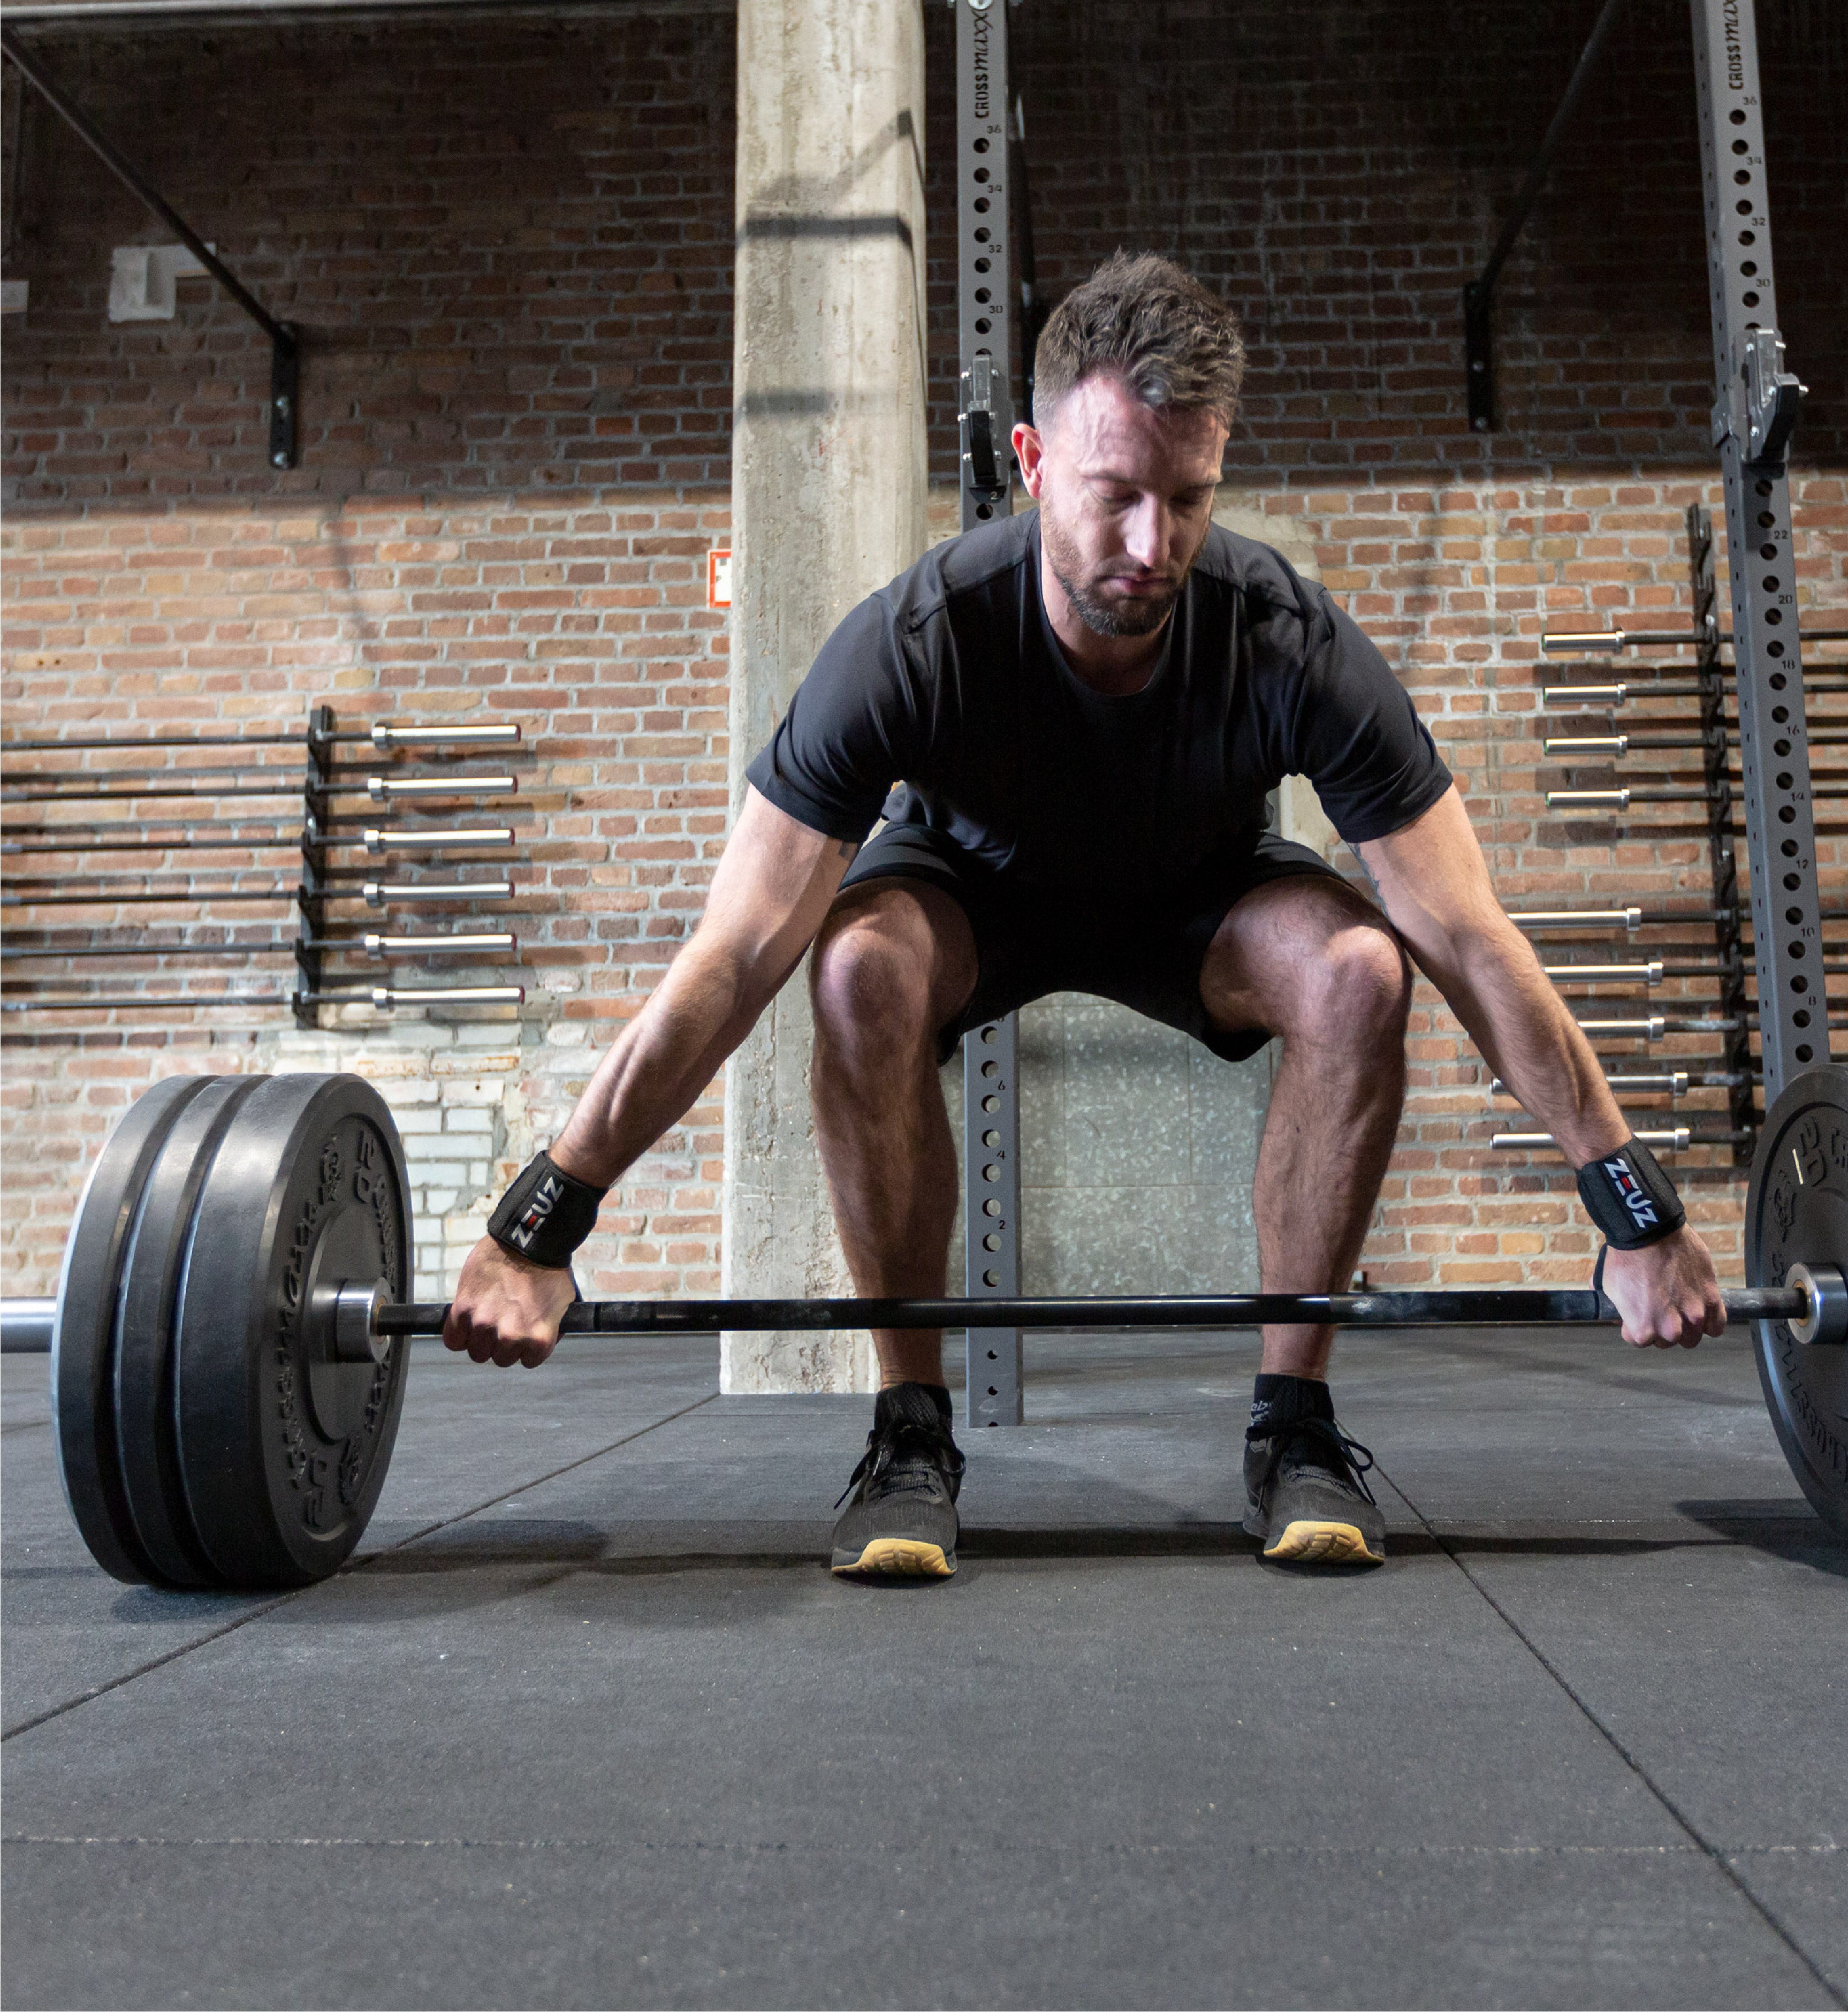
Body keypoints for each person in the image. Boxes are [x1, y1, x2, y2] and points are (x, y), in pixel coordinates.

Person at [444, 249, 1725, 1580]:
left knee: (1361, 970)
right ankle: (910, 1430)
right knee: (850, 969)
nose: (1151, 545)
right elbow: (738, 947)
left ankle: (1291, 1421)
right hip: (971, 898)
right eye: (1115, 495)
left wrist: (1629, 1206)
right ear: (1031, 460)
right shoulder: (915, 640)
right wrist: (549, 1213)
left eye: (1188, 500)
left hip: (1193, 902)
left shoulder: (1282, 634)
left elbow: (1466, 930)